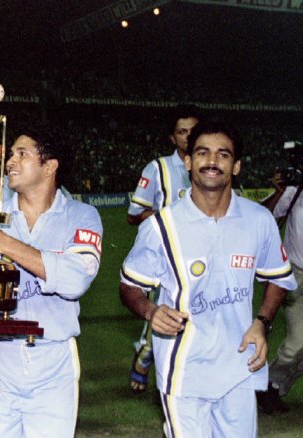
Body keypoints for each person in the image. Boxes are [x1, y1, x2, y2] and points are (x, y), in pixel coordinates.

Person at [120, 120, 296, 437]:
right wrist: (151, 312)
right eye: (203, 153)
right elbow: (130, 287)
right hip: (184, 370)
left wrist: (262, 321)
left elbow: (279, 278)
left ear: (237, 165)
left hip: (239, 367)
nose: (212, 162)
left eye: (223, 155)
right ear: (188, 161)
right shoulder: (162, 226)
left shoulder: (259, 220)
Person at [0, 127, 102, 436]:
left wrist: (5, 244)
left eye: (22, 154)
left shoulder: (82, 216)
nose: (10, 161)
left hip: (53, 360)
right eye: (11, 154)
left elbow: (75, 280)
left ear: (50, 167)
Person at [125, 104, 201, 393]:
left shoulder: (212, 169)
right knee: (164, 313)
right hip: (167, 259)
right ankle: (145, 354)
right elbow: (133, 214)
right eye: (182, 132)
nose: (188, 136)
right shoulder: (158, 169)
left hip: (203, 258)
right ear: (172, 138)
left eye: (193, 130)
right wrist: (169, 222)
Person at [256, 169, 303, 413]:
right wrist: (279, 192)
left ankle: (274, 385)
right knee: (298, 342)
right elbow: (262, 216)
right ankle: (269, 386)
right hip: (296, 277)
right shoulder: (295, 192)